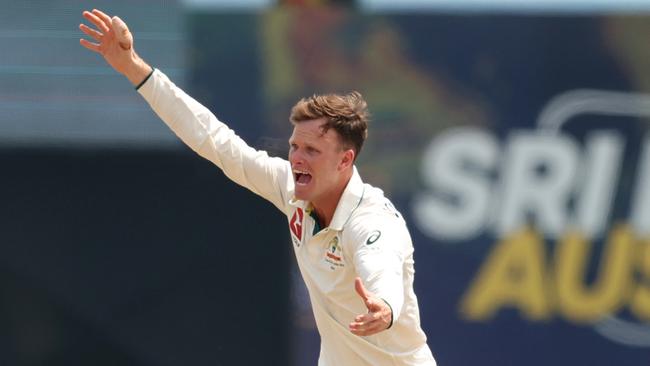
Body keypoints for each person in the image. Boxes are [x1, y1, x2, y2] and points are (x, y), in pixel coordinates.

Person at [79, 9, 436, 366]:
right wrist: (133, 67)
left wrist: (385, 307)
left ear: (345, 161)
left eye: (312, 151)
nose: (297, 159)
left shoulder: (371, 221)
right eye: (295, 146)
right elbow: (215, 141)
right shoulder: (292, 189)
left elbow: (382, 265)